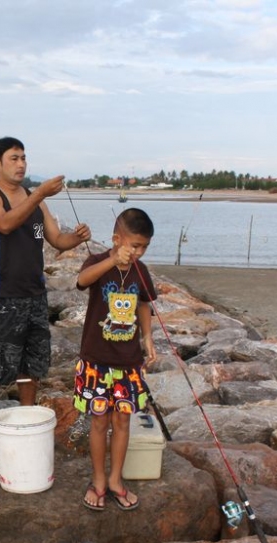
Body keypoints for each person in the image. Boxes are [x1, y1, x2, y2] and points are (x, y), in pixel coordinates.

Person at [0, 137, 91, 457]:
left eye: (24, 158)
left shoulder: (35, 200)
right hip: (1, 295)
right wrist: (39, 193)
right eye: (14, 158)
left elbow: (57, 240)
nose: (21, 163)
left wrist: (76, 238)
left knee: (31, 363)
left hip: (35, 293)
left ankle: (25, 419)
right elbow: (6, 224)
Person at [73, 208, 157, 510]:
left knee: (123, 421)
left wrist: (147, 338)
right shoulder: (98, 262)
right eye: (134, 245)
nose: (138, 252)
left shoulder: (141, 271)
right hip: (96, 360)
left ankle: (115, 480)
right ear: (116, 239)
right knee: (98, 422)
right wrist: (112, 260)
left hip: (128, 362)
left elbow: (145, 304)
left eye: (144, 246)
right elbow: (82, 280)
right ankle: (97, 479)